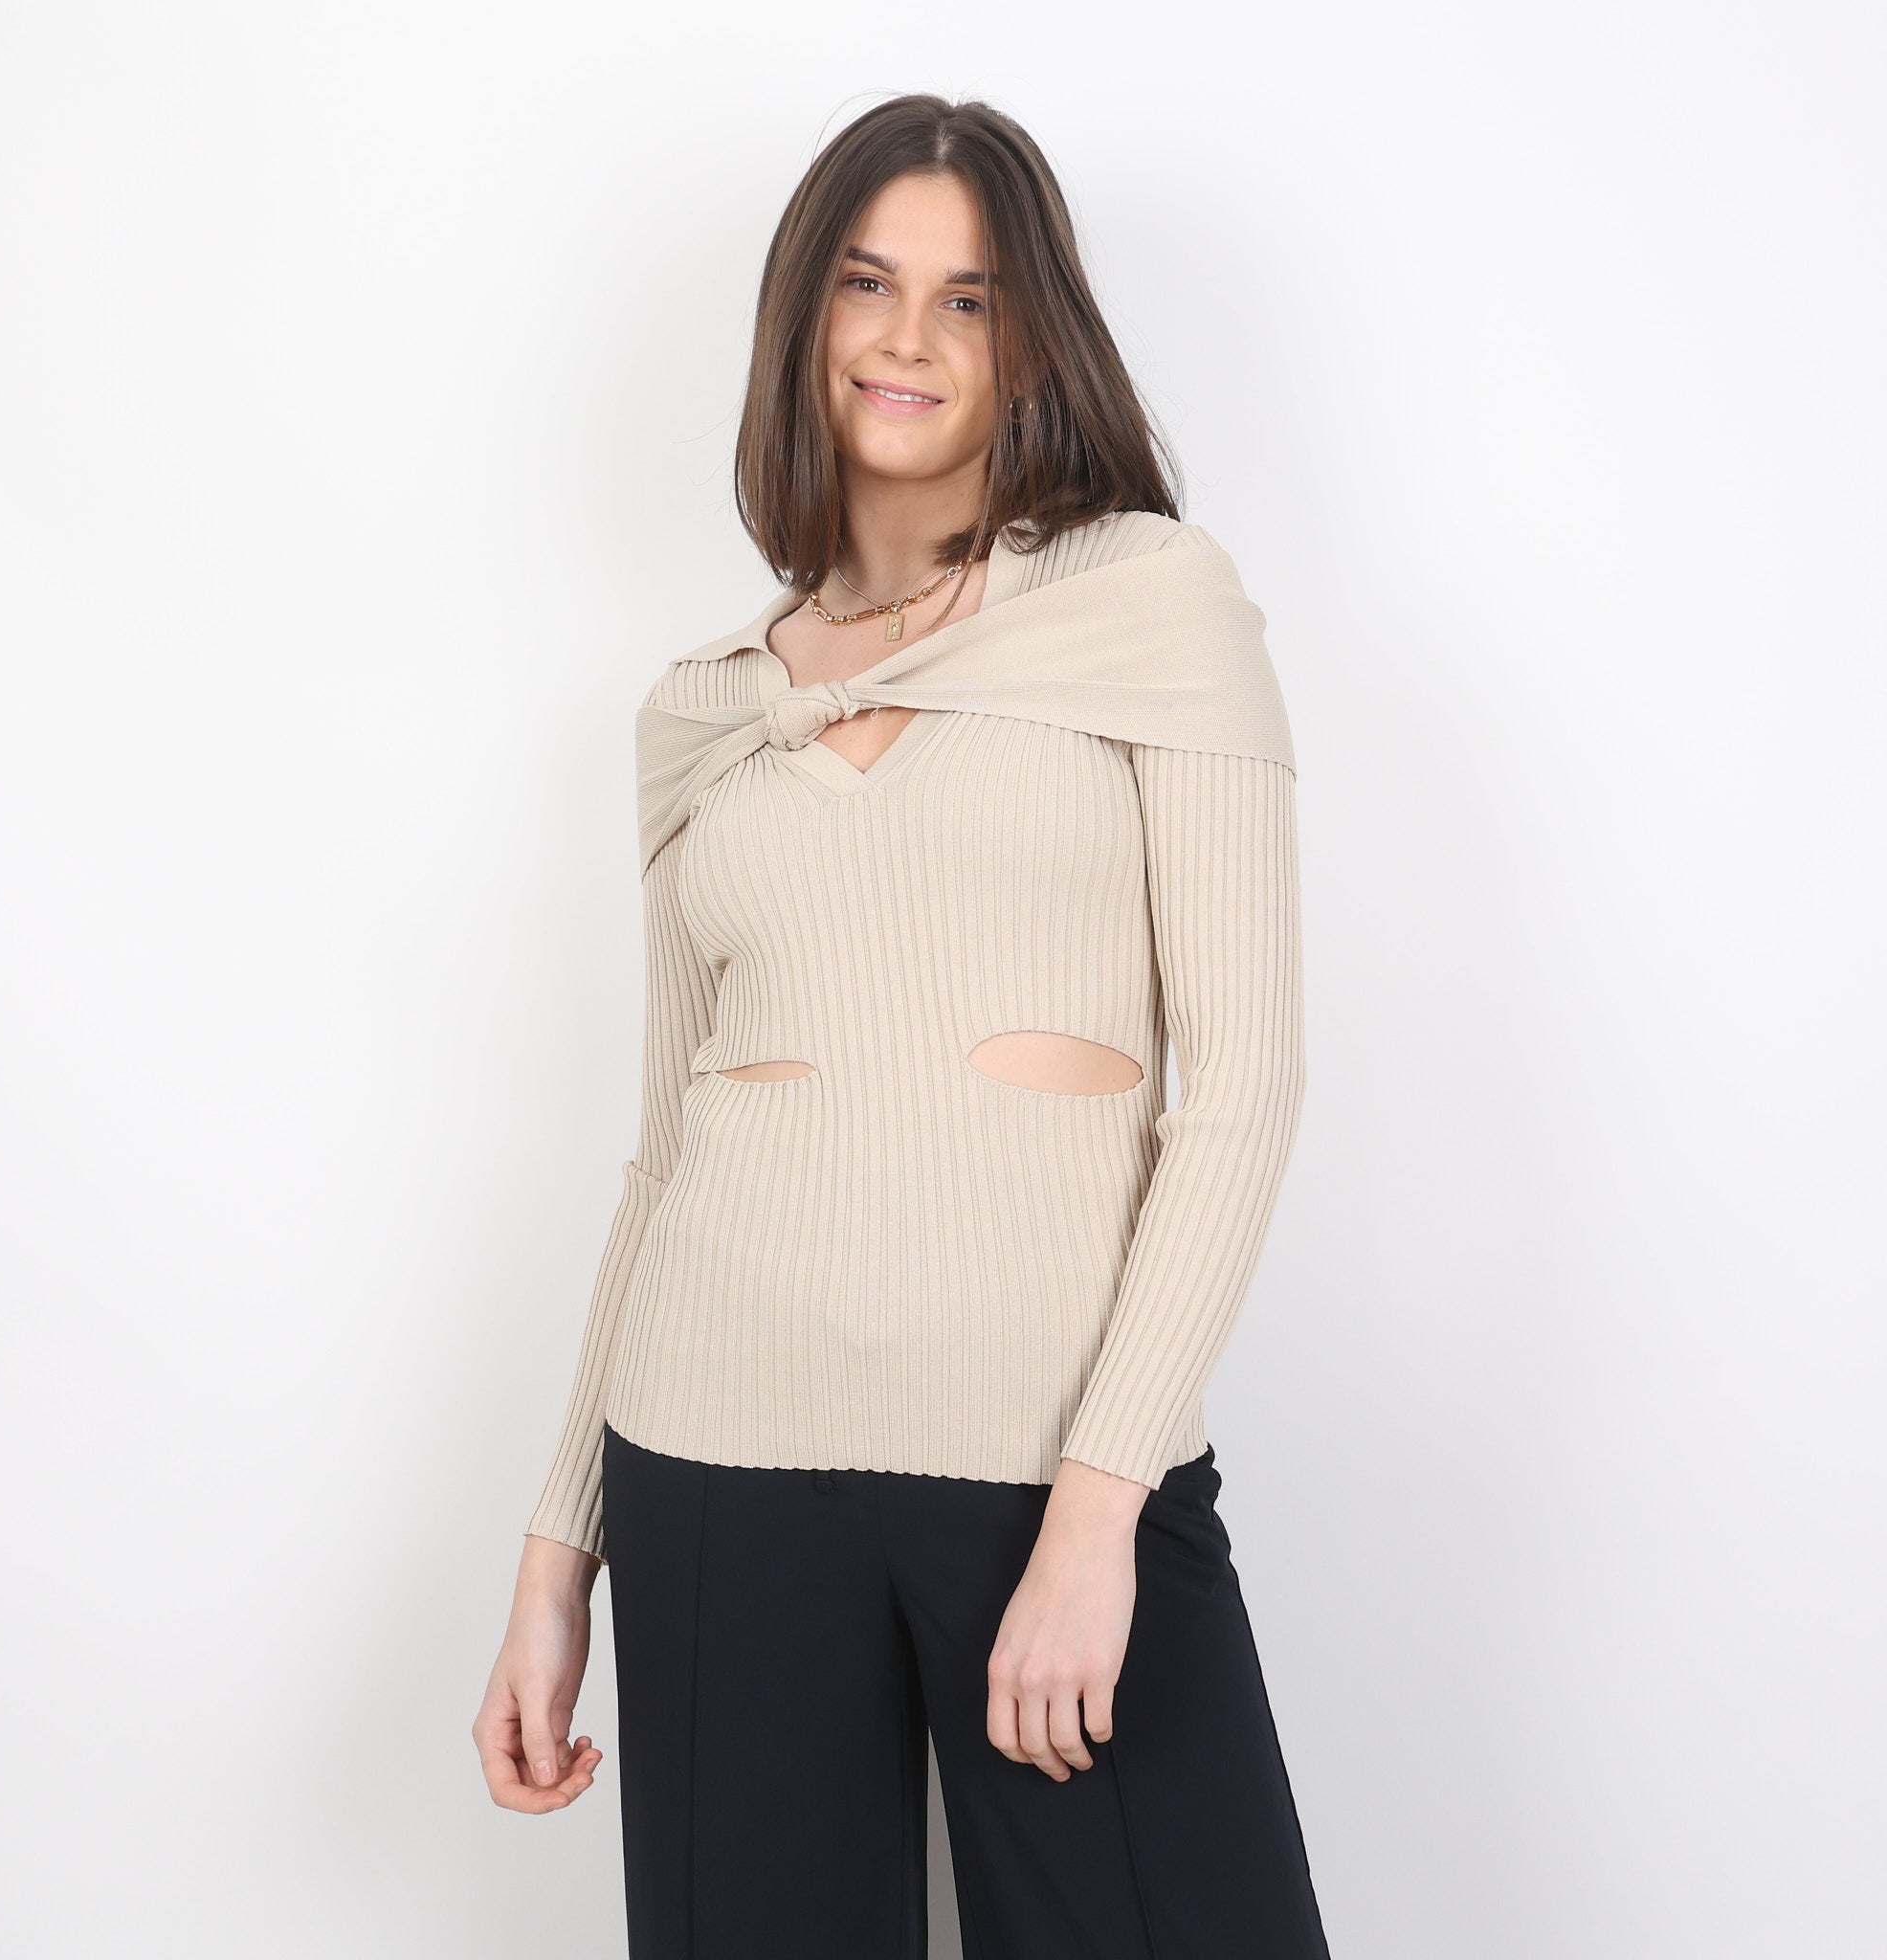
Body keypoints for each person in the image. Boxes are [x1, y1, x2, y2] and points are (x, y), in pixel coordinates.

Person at [474, 93, 1332, 1959]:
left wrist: (1099, 1513)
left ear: (1031, 339)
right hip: (712, 1464)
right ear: (807, 315)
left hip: (1051, 1466)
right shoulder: (703, 712)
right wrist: (559, 1553)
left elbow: (1245, 1088)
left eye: (969, 298)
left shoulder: (1146, 604)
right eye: (868, 284)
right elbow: (662, 1153)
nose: (908, 339)